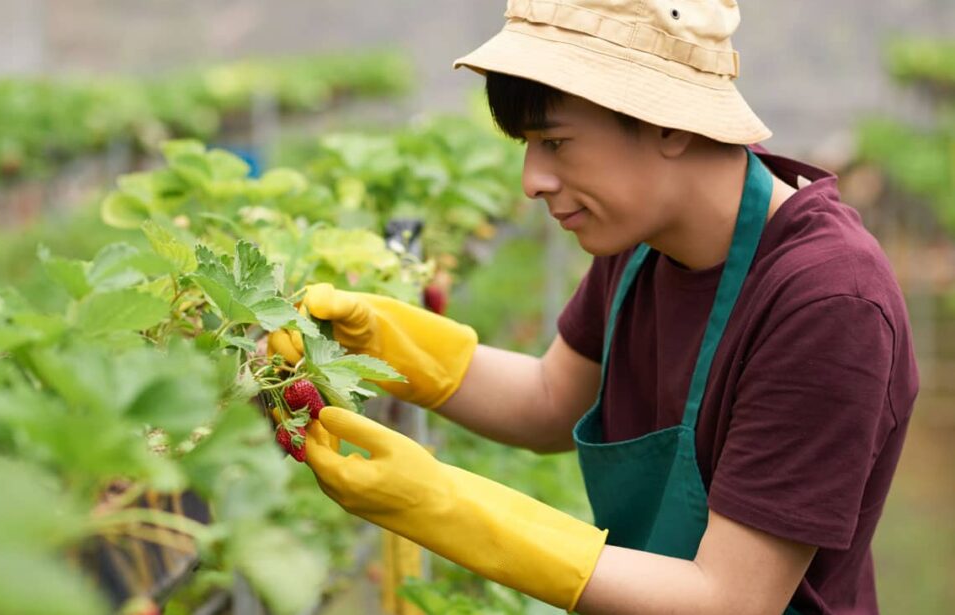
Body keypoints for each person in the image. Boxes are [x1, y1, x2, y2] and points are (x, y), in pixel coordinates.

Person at [280, 1, 920, 613]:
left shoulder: (828, 301)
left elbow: (730, 598)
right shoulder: (642, 237)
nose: (532, 180)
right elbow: (551, 401)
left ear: (667, 121)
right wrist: (387, 343)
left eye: (554, 143)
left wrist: (436, 503)